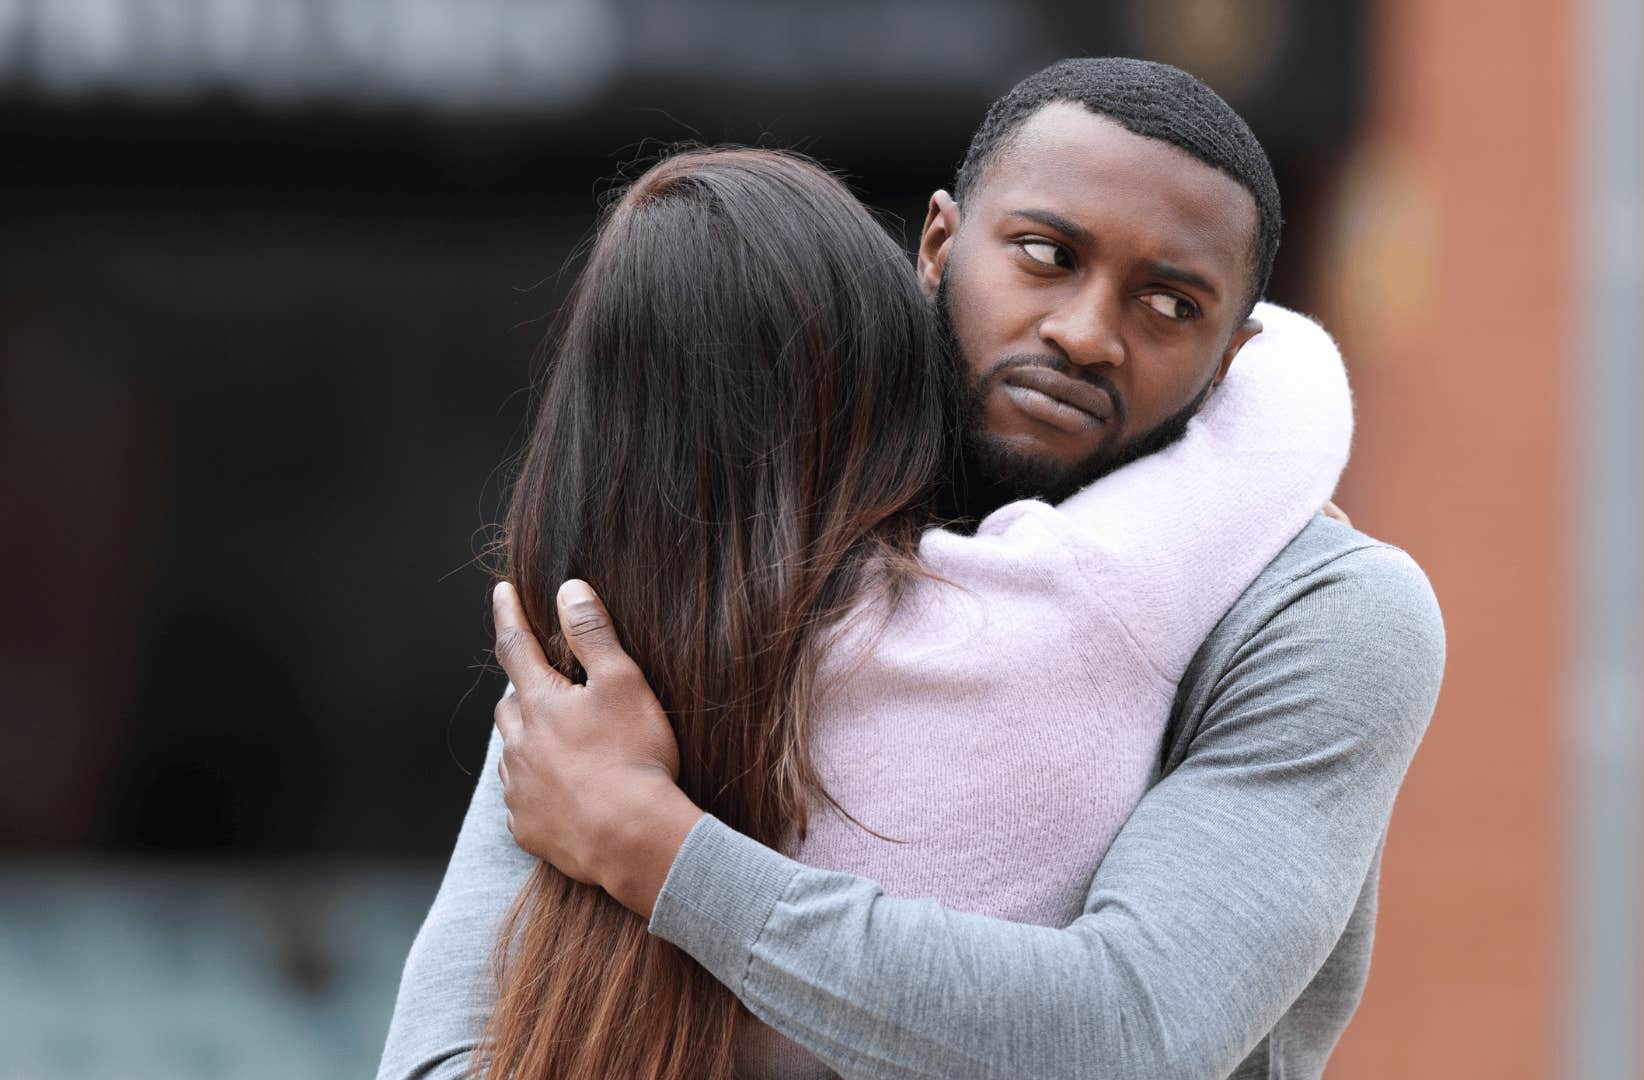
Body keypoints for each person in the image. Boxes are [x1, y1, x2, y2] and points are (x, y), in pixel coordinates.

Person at [380, 58, 1443, 1080]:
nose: (1084, 335)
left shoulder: (1319, 614)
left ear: (1233, 358)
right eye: (1045, 254)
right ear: (939, 243)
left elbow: (1130, 1037)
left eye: (1170, 306)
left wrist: (660, 853)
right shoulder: (742, 520)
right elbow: (440, 1056)